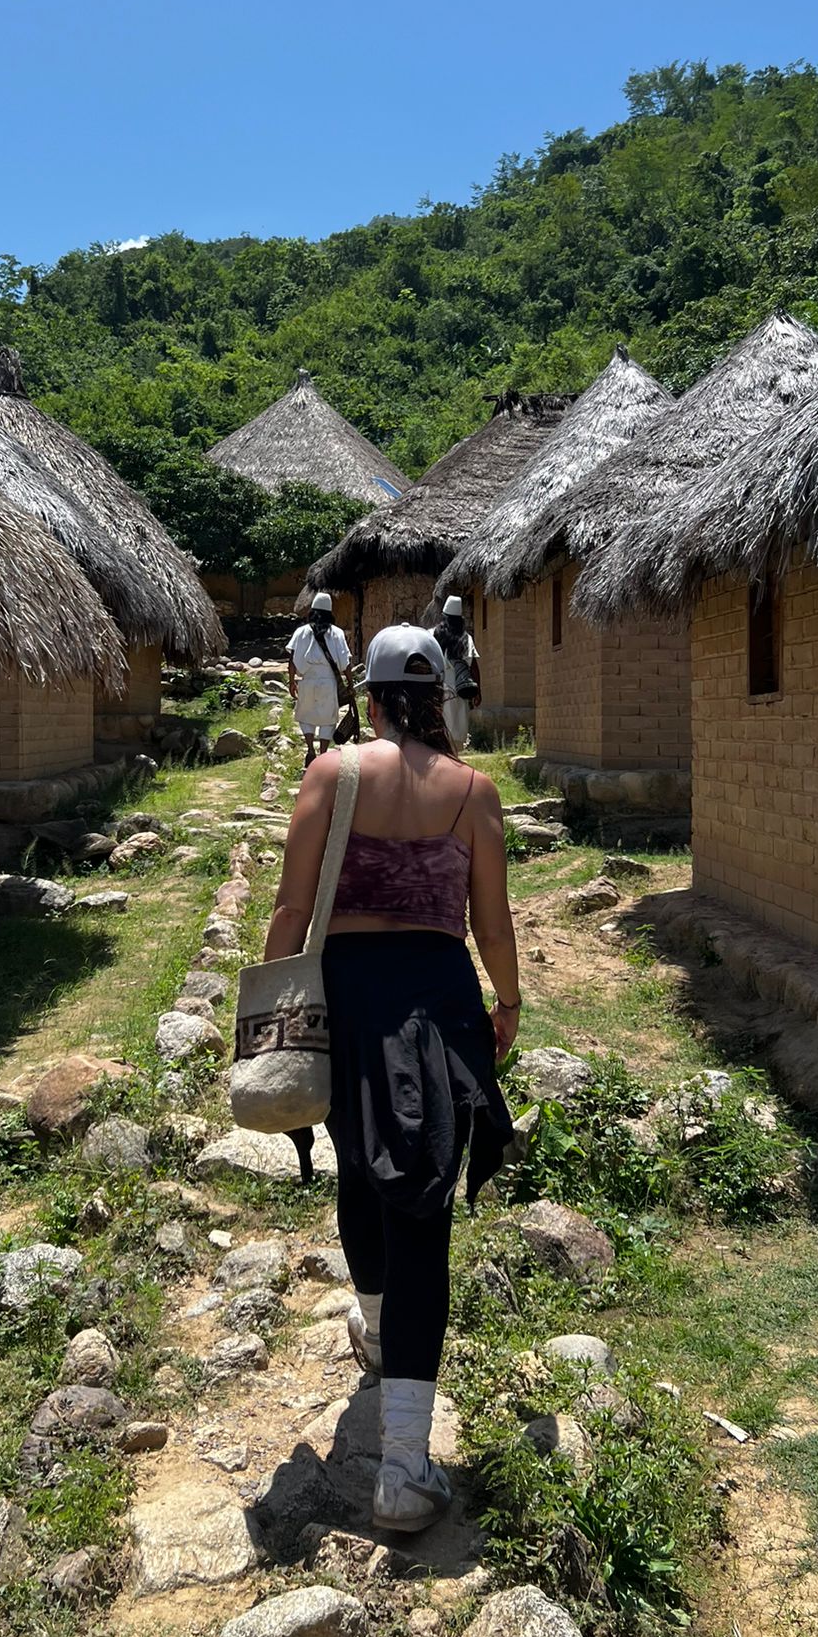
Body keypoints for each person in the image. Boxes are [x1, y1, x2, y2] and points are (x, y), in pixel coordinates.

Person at [263, 624, 520, 1533]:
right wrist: (511, 1005)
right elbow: (489, 923)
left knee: (363, 1170)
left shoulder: (332, 775)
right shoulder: (475, 793)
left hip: (349, 1001)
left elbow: (295, 905)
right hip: (442, 1005)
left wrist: (270, 1015)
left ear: (365, 696)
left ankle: (377, 1330)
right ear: (441, 694)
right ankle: (406, 1464)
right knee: (425, 1206)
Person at [288, 590, 353, 769]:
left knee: (306, 716)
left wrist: (291, 681)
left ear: (312, 611)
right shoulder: (337, 633)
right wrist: (350, 684)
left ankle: (310, 749)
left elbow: (292, 659)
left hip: (307, 680)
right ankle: (323, 754)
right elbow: (346, 662)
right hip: (328, 682)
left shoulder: (301, 632)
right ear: (330, 613)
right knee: (328, 719)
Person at [432, 595, 481, 749]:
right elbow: (473, 666)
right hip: (460, 688)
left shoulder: (432, 635)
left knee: (439, 731)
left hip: (438, 688)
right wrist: (478, 691)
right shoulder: (466, 639)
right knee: (456, 733)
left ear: (444, 617)